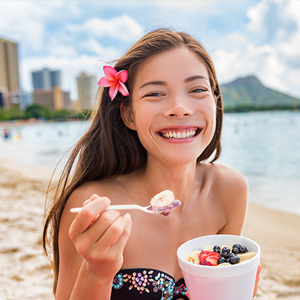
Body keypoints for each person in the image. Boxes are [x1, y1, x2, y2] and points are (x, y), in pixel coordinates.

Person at [43, 28, 261, 300]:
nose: (179, 108)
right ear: (128, 115)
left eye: (197, 89)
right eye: (155, 94)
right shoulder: (94, 206)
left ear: (215, 103)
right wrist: (97, 272)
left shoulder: (229, 190)